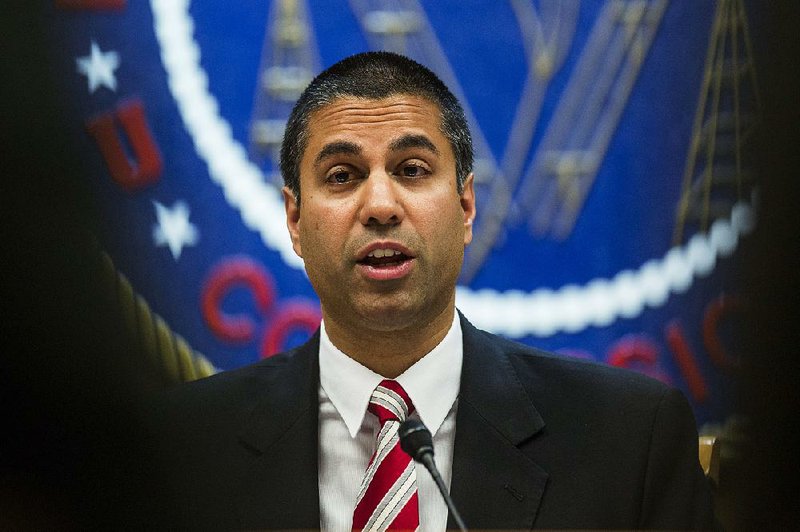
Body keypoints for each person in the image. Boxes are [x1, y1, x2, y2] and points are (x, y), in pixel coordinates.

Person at [149, 51, 713, 530]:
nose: (381, 207)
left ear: (466, 207)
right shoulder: (180, 449)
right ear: (294, 220)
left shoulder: (627, 440)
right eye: (342, 176)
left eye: (413, 169)